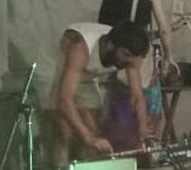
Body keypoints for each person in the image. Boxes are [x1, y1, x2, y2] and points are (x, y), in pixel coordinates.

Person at [53, 21, 150, 162]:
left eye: (134, 57)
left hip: (85, 75)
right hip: (57, 67)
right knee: (65, 131)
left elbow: (137, 96)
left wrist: (143, 128)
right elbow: (64, 99)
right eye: (126, 55)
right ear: (110, 46)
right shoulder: (80, 48)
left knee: (93, 131)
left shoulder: (130, 53)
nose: (131, 62)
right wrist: (87, 137)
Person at [97, 0, 175, 135]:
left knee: (119, 108)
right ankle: (145, 145)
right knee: (146, 103)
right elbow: (164, 30)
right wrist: (169, 56)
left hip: (113, 59)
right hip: (136, 57)